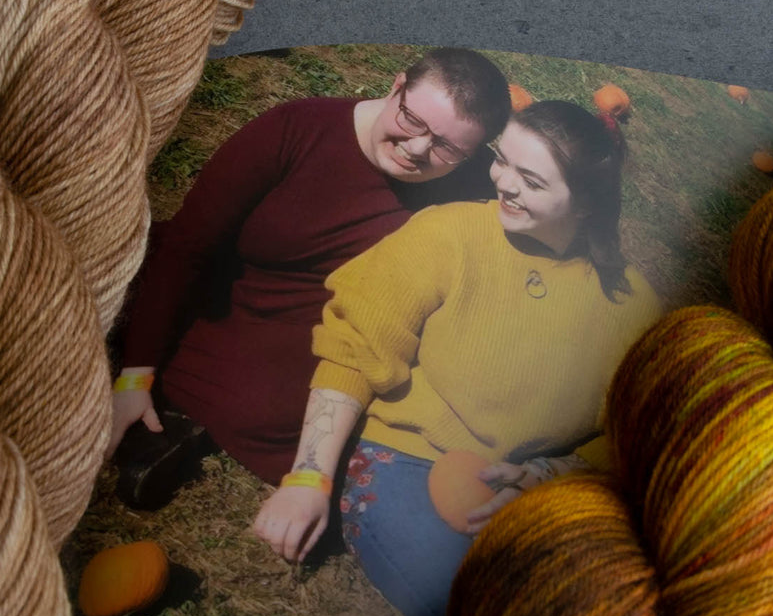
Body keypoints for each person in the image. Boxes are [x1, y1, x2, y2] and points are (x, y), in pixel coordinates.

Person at [252, 100, 663, 616]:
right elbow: (354, 347)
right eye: (502, 160)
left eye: (531, 180)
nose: (503, 183)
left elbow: (646, 426)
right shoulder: (449, 233)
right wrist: (308, 478)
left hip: (533, 488)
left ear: (585, 204)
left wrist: (550, 475)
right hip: (407, 460)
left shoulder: (633, 306)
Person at [109, 49, 512, 508]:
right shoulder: (296, 128)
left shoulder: (479, 185)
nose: (418, 149)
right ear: (395, 86)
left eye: (448, 148)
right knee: (134, 278)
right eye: (413, 120)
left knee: (297, 406)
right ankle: (163, 394)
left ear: (477, 153)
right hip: (227, 294)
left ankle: (181, 415)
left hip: (329, 333)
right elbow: (189, 246)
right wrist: (135, 377)